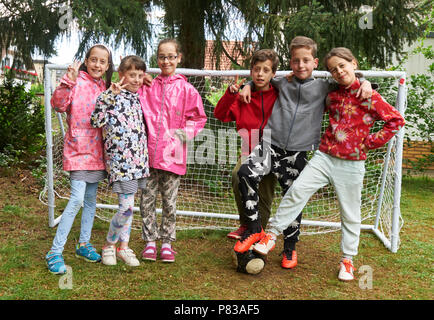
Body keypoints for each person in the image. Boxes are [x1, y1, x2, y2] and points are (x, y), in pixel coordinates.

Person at [257, 47, 405, 281]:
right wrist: (290, 78)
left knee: (350, 213)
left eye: (342, 66)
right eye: (333, 69)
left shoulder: (369, 95)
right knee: (297, 192)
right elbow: (306, 101)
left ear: (353, 64)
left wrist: (369, 143)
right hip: (324, 157)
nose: (338, 71)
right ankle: (272, 235)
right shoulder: (332, 96)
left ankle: (347, 260)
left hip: (352, 164)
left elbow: (396, 120)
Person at [235, 36, 374, 270]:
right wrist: (247, 84)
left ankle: (289, 247)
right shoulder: (282, 83)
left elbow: (348, 79)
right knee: (245, 172)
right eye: (296, 60)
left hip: (297, 153)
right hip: (270, 144)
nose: (300, 65)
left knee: (294, 197)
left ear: (315, 62)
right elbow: (261, 79)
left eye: (306, 60)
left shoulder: (324, 87)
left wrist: (365, 81)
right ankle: (254, 229)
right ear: (290, 62)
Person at [45, 44, 113, 274]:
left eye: (102, 62)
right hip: (77, 151)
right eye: (94, 60)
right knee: (76, 200)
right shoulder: (76, 81)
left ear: (107, 66)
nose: (97, 65)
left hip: (97, 154)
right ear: (86, 60)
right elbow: (58, 105)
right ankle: (54, 252)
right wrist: (67, 82)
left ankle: (83, 244)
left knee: (91, 200)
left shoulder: (104, 86)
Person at [138, 39, 207, 263]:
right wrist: (140, 78)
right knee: (147, 200)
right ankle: (150, 241)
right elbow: (128, 89)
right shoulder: (147, 86)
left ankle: (166, 242)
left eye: (170, 56)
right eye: (161, 56)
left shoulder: (187, 89)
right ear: (156, 59)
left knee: (170, 202)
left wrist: (181, 137)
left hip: (173, 156)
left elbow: (198, 118)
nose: (166, 60)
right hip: (147, 155)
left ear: (179, 58)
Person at [214, 49, 279, 240]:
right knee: (238, 176)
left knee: (264, 191)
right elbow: (220, 115)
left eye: (266, 70)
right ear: (251, 71)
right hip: (249, 149)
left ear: (273, 74)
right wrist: (230, 94)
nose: (260, 74)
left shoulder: (279, 94)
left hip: (272, 149)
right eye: (256, 69)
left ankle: (258, 231)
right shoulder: (242, 96)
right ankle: (246, 225)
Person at [91, 55, 149, 267]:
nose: (136, 80)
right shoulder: (111, 96)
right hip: (120, 164)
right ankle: (108, 245)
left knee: (129, 207)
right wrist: (108, 95)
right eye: (132, 75)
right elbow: (96, 120)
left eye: (140, 76)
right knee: (126, 209)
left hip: (139, 163)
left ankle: (123, 247)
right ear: (120, 75)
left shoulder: (138, 96)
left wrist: (146, 79)